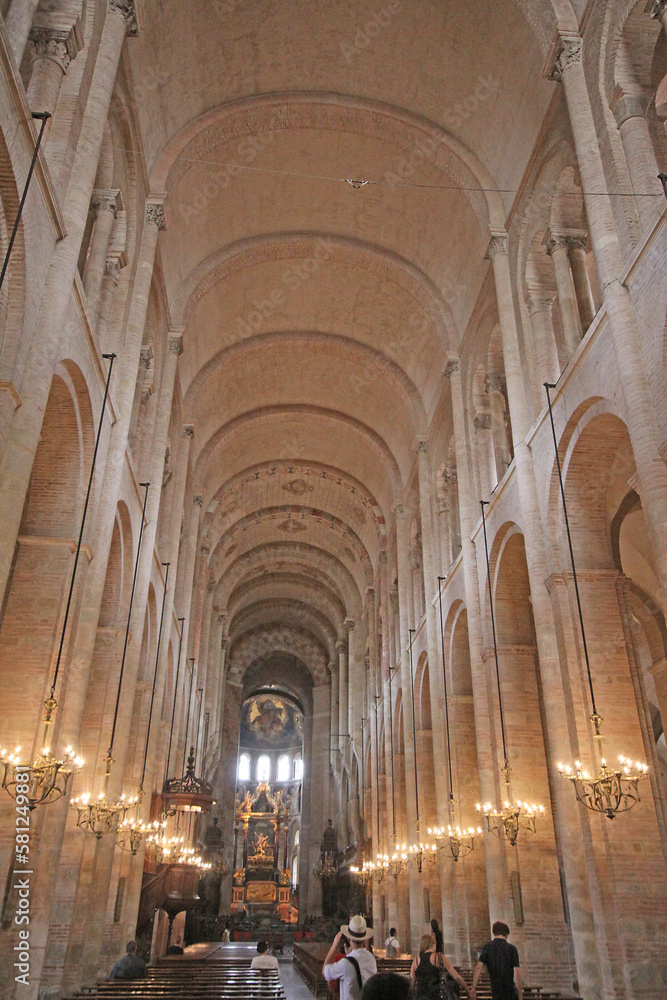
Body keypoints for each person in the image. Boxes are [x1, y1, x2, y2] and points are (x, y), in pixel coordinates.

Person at [323, 914, 377, 1000]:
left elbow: (325, 972)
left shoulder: (345, 964)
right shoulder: (371, 959)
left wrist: (334, 946)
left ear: (348, 938)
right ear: (364, 939)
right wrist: (349, 956)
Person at [410, 932, 471, 1000]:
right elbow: (456, 976)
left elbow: (412, 983)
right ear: (432, 944)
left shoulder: (415, 961)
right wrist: (468, 991)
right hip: (436, 995)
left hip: (420, 996)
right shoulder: (439, 957)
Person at [471, 922, 522, 1000]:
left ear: (494, 933)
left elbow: (478, 967)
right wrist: (520, 994)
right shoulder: (512, 949)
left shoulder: (487, 947)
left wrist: (474, 987)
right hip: (509, 989)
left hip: (496, 989)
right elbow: (517, 972)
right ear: (507, 934)